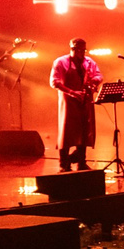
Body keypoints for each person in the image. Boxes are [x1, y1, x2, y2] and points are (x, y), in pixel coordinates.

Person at [49, 36, 103, 170]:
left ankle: (81, 161)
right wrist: (72, 92)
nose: (82, 54)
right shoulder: (60, 62)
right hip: (69, 100)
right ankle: (64, 164)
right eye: (79, 50)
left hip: (85, 99)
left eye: (84, 51)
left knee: (85, 130)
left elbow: (98, 75)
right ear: (72, 49)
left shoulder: (89, 62)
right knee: (67, 131)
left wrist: (94, 82)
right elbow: (54, 82)